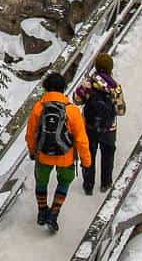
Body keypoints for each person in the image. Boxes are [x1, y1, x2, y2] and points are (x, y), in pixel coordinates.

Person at [26, 71, 91, 233]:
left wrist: (33, 151)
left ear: (46, 88)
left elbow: (30, 134)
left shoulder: (38, 108)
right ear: (64, 88)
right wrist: (86, 161)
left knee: (41, 182)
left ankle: (42, 211)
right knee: (64, 182)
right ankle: (53, 214)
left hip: (43, 155)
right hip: (66, 156)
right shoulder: (72, 111)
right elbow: (82, 139)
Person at [73, 53, 126, 195]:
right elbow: (121, 111)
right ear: (110, 68)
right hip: (109, 128)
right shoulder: (115, 87)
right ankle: (105, 183)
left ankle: (88, 185)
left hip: (90, 127)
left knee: (89, 155)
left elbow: (77, 100)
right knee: (108, 155)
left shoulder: (88, 84)